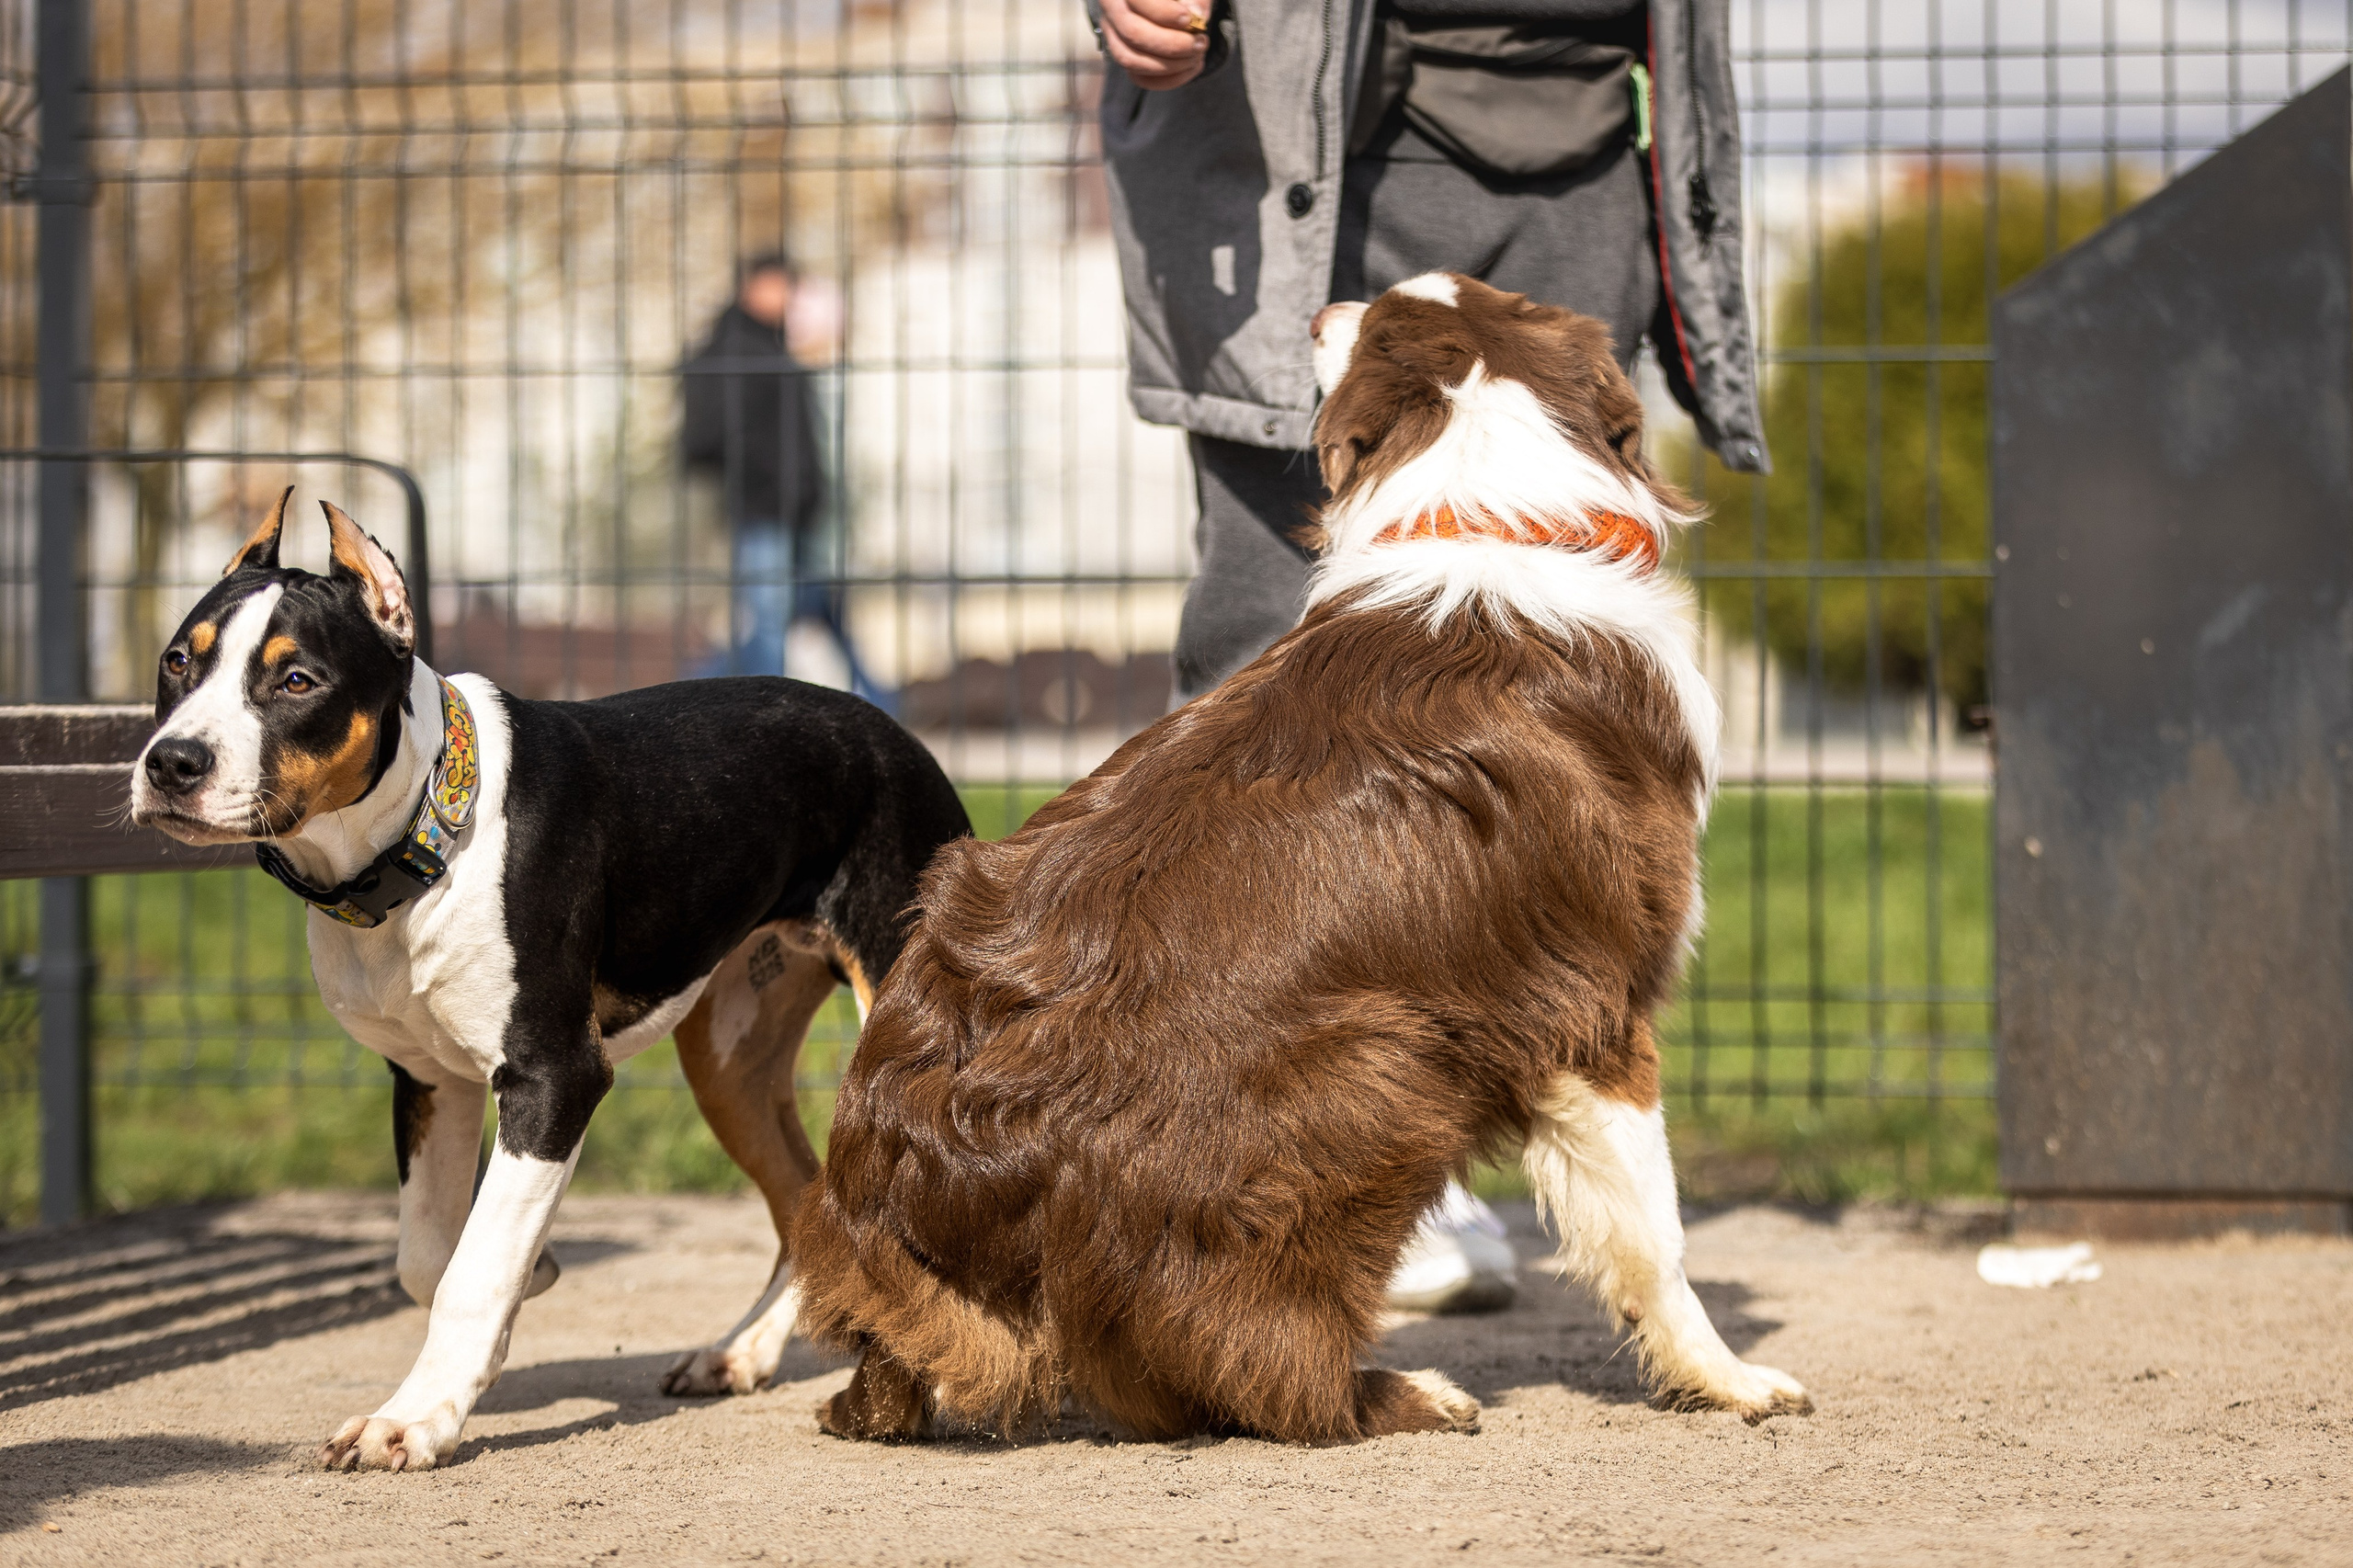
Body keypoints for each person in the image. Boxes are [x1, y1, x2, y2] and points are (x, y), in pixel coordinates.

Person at [1086, 0, 1768, 1312]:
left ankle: (1414, 1136)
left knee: (1536, 723)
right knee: (1268, 675)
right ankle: (1227, 1155)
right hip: (1302, 141)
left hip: (1579, 128)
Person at [681, 253, 887, 708]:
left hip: (796, 506)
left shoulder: (770, 347)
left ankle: (880, 702)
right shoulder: (736, 349)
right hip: (763, 504)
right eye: (780, 285)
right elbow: (718, 434)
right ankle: (758, 708)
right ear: (753, 286)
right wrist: (766, 476)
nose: (787, 297)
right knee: (770, 618)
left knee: (805, 610)